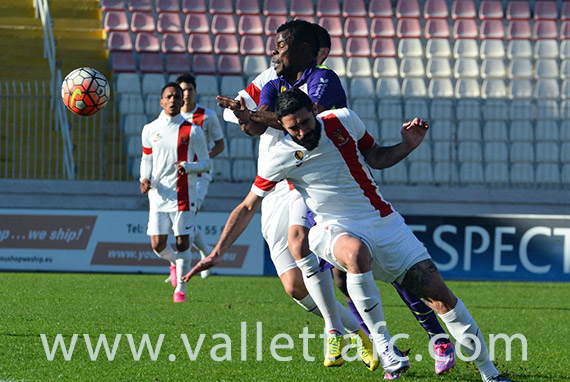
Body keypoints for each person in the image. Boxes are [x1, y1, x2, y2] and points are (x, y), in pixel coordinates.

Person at [184, 88, 515, 382]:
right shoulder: (280, 156)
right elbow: (247, 206)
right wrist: (216, 253)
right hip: (332, 228)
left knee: (439, 294)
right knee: (354, 254)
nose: (301, 131)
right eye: (292, 128)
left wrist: (407, 145)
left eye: (304, 122)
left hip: (384, 222)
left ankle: (491, 374)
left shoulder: (344, 120)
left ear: (314, 110)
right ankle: (384, 345)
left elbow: (376, 157)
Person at [219, 20, 455, 377]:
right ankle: (371, 339)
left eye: (280, 45)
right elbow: (253, 123)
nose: (273, 51)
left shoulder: (323, 78)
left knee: (388, 268)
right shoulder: (274, 80)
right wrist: (246, 116)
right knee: (335, 278)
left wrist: (254, 114)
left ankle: (435, 337)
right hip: (291, 179)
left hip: (333, 182)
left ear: (311, 51)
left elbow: (300, 118)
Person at [139, 82, 211, 303]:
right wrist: (144, 178)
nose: (172, 100)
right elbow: (146, 158)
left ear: (182, 102)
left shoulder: (193, 130)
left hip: (184, 194)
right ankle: (173, 263)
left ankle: (180, 289)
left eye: (176, 97)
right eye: (168, 97)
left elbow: (206, 164)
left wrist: (189, 167)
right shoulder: (150, 129)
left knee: (182, 242)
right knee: (157, 245)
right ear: (161, 101)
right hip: (158, 195)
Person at [170, 73, 226, 281]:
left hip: (200, 176)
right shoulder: (171, 117)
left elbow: (220, 145)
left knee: (188, 217)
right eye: (181, 90)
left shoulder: (207, 116)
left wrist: (203, 157)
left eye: (189, 90)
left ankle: (184, 265)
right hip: (176, 176)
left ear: (195, 91)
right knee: (181, 220)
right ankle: (205, 252)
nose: (185, 94)